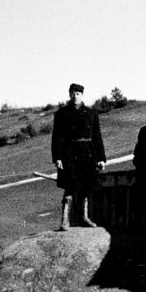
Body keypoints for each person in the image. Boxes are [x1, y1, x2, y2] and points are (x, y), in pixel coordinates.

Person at [51, 83, 106, 230]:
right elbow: (56, 137)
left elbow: (97, 136)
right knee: (70, 186)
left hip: (88, 153)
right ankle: (64, 221)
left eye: (78, 94)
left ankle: (84, 217)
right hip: (69, 153)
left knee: (86, 186)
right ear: (69, 95)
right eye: (73, 94)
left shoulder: (91, 113)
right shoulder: (62, 114)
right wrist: (57, 157)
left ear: (82, 95)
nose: (75, 96)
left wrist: (101, 158)